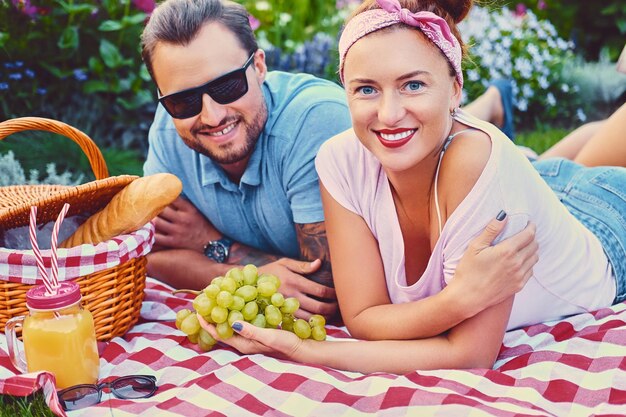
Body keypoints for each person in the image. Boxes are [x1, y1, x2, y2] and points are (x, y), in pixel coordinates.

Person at [199, 0, 626, 374]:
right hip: (532, 190)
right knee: (542, 167)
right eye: (366, 89)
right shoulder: (339, 159)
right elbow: (364, 317)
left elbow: (471, 354)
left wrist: (310, 352)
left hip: (604, 219)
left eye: (413, 85)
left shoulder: (472, 163)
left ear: (456, 89)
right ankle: (530, 143)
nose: (387, 113)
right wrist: (458, 300)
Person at [140, 0, 538, 320]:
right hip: (427, 172)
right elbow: (153, 256)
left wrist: (210, 244)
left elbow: (327, 292)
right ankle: (492, 106)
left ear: (259, 66)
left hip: (487, 189)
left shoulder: (314, 122)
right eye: (182, 100)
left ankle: (492, 113)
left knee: (542, 170)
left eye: (226, 85)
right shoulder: (169, 130)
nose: (210, 115)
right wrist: (245, 272)